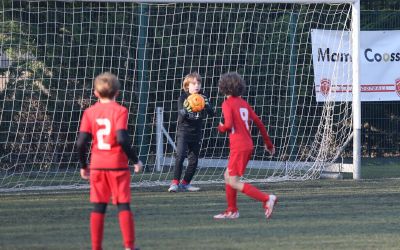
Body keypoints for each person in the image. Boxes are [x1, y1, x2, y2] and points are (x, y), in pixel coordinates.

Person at [76, 72, 142, 250]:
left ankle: (96, 247)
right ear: (117, 92)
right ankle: (129, 246)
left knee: (99, 207)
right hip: (117, 167)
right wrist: (135, 160)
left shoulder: (90, 112)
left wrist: (84, 166)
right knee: (123, 205)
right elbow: (122, 138)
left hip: (97, 166)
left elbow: (81, 142)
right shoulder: (120, 110)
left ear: (95, 93)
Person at [214, 72, 277, 220]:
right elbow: (259, 123)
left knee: (233, 181)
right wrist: (268, 143)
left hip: (239, 146)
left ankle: (267, 198)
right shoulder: (243, 103)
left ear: (223, 87)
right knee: (228, 176)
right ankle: (232, 210)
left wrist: (221, 127)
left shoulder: (227, 103)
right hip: (247, 144)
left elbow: (228, 125)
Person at [168, 72, 214, 192]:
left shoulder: (203, 96)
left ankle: (185, 183)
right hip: (183, 132)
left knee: (194, 160)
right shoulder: (183, 98)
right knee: (181, 156)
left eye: (198, 83)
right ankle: (174, 183)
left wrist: (208, 106)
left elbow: (213, 114)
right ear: (187, 85)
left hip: (196, 133)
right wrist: (185, 111)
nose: (197, 86)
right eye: (193, 83)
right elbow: (181, 118)